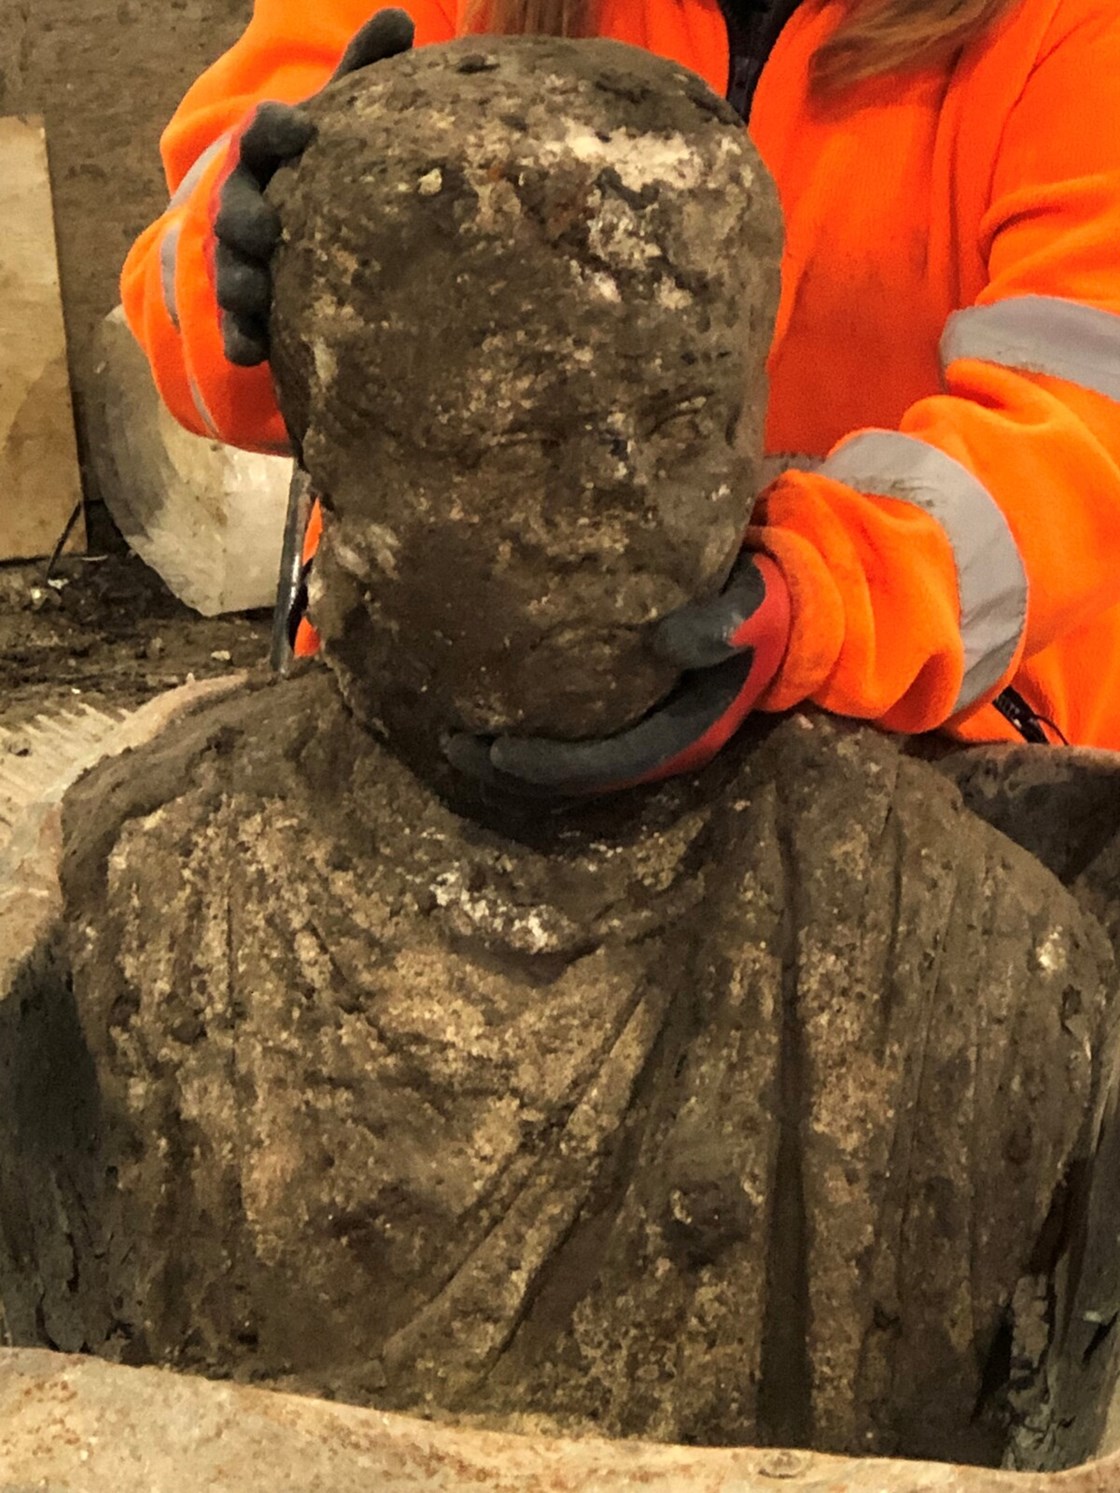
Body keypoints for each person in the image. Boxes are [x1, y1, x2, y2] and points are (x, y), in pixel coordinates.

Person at [121, 0, 1120, 792]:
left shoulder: (1063, 31)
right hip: (426, 708)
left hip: (921, 738)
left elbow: (1083, 426)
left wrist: (826, 596)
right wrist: (243, 263)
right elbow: (199, 335)